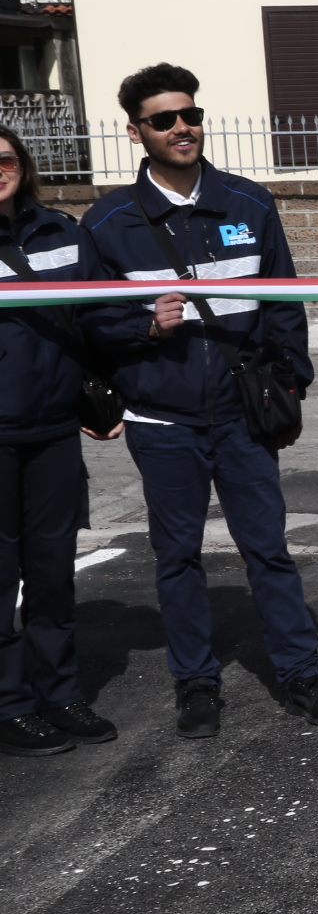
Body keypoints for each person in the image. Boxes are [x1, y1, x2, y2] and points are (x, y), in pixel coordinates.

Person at [84, 63, 318, 739]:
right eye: (164, 119)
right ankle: (196, 682)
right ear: (136, 131)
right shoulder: (109, 220)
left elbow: (284, 305)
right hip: (161, 420)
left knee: (269, 549)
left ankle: (301, 674)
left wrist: (290, 387)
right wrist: (145, 327)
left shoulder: (249, 202)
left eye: (191, 115)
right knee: (177, 557)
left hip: (242, 418)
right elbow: (89, 321)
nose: (183, 128)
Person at [0, 129, 121, 756]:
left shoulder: (62, 232)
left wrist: (139, 344)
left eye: (5, 159)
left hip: (52, 430)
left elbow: (100, 316)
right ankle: (10, 705)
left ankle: (60, 694)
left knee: (51, 573)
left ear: (23, 166)